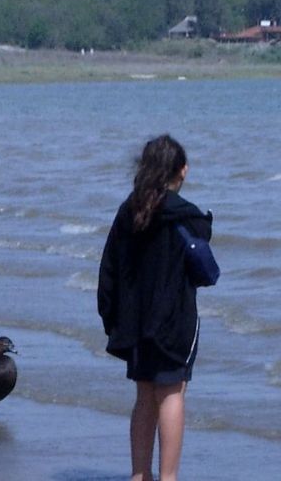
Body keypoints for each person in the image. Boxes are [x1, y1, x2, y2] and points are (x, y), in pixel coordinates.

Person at [98, 135, 215, 481]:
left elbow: (108, 270)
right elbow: (204, 266)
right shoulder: (186, 215)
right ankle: (168, 477)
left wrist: (111, 319)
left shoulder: (128, 211)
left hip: (135, 322)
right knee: (172, 393)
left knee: (145, 396)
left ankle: (139, 475)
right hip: (174, 322)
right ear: (182, 170)